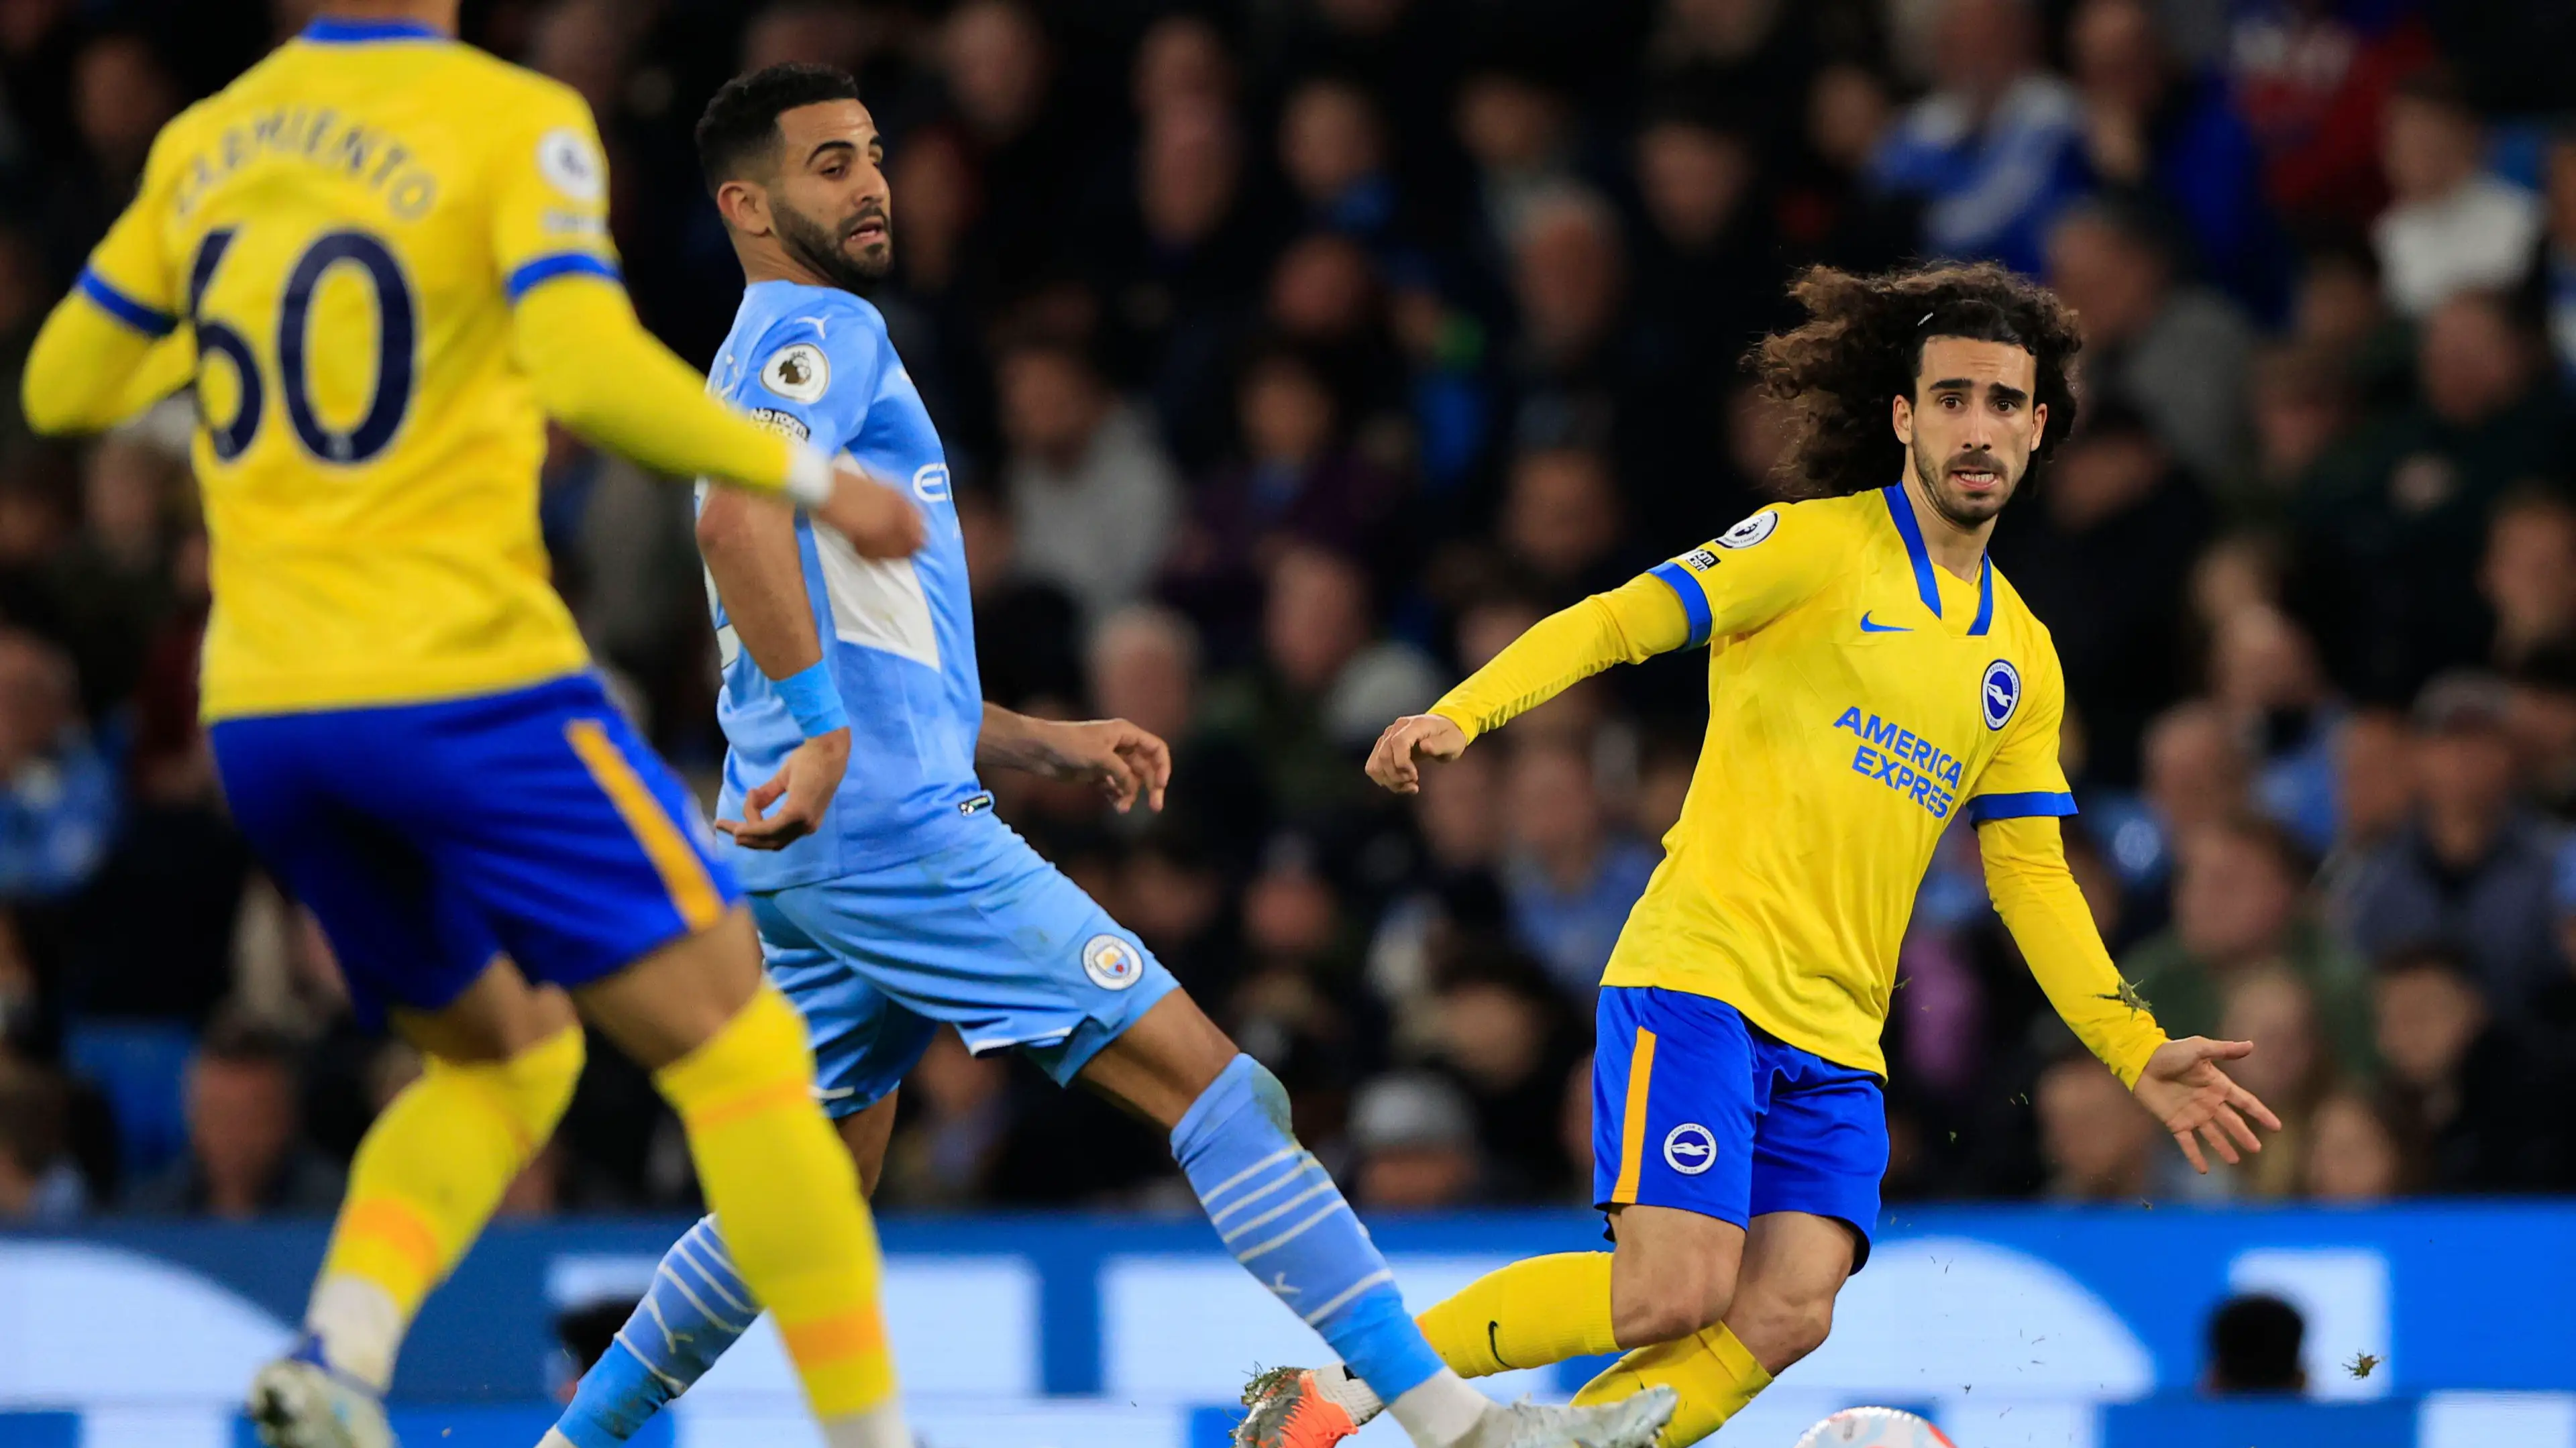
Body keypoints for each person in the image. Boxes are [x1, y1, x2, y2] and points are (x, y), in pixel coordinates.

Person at [539, 65, 1672, 1448]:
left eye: (874, 154)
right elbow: (735, 521)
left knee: (805, 1184)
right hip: (890, 831)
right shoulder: (820, 330)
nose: (872, 183)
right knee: (1220, 1086)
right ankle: (1463, 1427)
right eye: (830, 165)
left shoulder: (770, 350)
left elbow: (859, 640)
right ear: (746, 207)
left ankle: (572, 1440)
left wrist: (1036, 739)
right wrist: (831, 732)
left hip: (820, 836)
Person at [18, 5, 932, 1447]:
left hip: (265, 714)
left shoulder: (207, 146)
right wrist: (815, 482)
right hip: (463, 680)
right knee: (743, 1051)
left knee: (508, 1055)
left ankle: (340, 1351)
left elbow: (64, 383)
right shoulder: (512, 121)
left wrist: (238, 314)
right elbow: (584, 364)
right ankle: (876, 1435)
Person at [1253, 262, 2282, 1448]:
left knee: (1790, 1306)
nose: (1976, 427)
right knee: (1671, 1289)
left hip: (1840, 1034)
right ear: (1903, 416)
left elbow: (2031, 875)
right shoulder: (1811, 547)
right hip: (1706, 975)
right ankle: (1344, 1383)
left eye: (2004, 401)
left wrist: (2135, 1047)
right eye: (1950, 398)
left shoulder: (2023, 658)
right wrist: (1465, 712)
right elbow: (1621, 618)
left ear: (2039, 426)